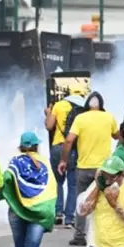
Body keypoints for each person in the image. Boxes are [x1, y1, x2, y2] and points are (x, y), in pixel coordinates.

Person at [0, 132, 57, 247]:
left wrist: (10, 196)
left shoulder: (15, 162)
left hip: (17, 211)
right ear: (36, 146)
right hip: (38, 213)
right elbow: (52, 188)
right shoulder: (44, 162)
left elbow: (5, 180)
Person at [59, 91, 118, 246]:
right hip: (104, 169)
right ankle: (105, 234)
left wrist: (63, 160)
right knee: (106, 201)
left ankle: (79, 235)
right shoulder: (109, 117)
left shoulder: (80, 118)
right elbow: (117, 135)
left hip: (84, 167)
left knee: (83, 200)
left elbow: (69, 140)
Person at [44, 84, 88, 227]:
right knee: (72, 184)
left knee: (58, 181)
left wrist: (48, 113)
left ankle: (58, 213)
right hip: (74, 148)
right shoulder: (84, 108)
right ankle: (69, 218)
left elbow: (49, 126)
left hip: (58, 146)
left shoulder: (59, 105)